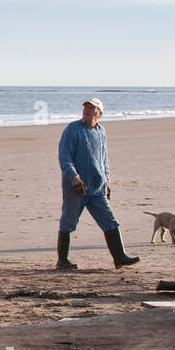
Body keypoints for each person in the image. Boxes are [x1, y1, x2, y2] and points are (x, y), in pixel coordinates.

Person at [56, 98, 140, 270]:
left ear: (99, 113)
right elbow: (65, 157)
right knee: (68, 221)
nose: (87, 109)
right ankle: (62, 260)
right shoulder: (72, 129)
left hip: (97, 188)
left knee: (110, 222)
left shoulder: (101, 132)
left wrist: (107, 181)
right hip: (76, 188)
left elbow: (103, 160)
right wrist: (74, 177)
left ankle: (119, 257)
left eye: (91, 107)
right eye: (85, 107)